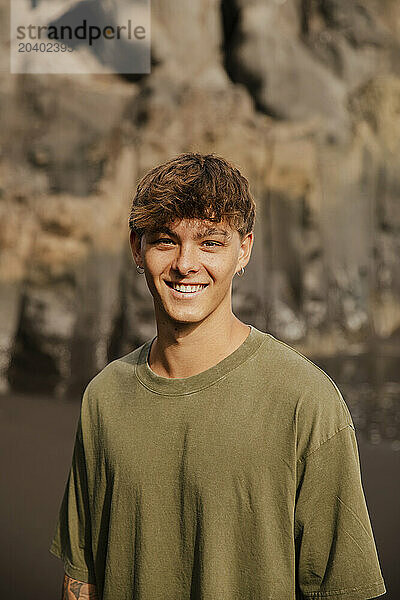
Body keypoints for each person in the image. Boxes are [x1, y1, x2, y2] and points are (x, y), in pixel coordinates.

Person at [49, 152, 386, 600]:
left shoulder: (305, 401)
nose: (186, 264)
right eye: (167, 241)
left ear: (243, 249)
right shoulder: (103, 398)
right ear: (137, 248)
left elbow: (342, 589)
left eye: (210, 243)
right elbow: (82, 580)